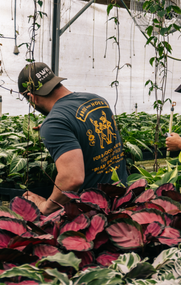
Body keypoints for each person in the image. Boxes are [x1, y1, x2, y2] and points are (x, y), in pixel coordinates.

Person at [17, 62, 128, 215]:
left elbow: (72, 179)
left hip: (94, 215)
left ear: (32, 97)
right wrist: (57, 127)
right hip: (123, 200)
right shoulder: (97, 100)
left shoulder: (55, 123)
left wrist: (45, 206)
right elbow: (86, 125)